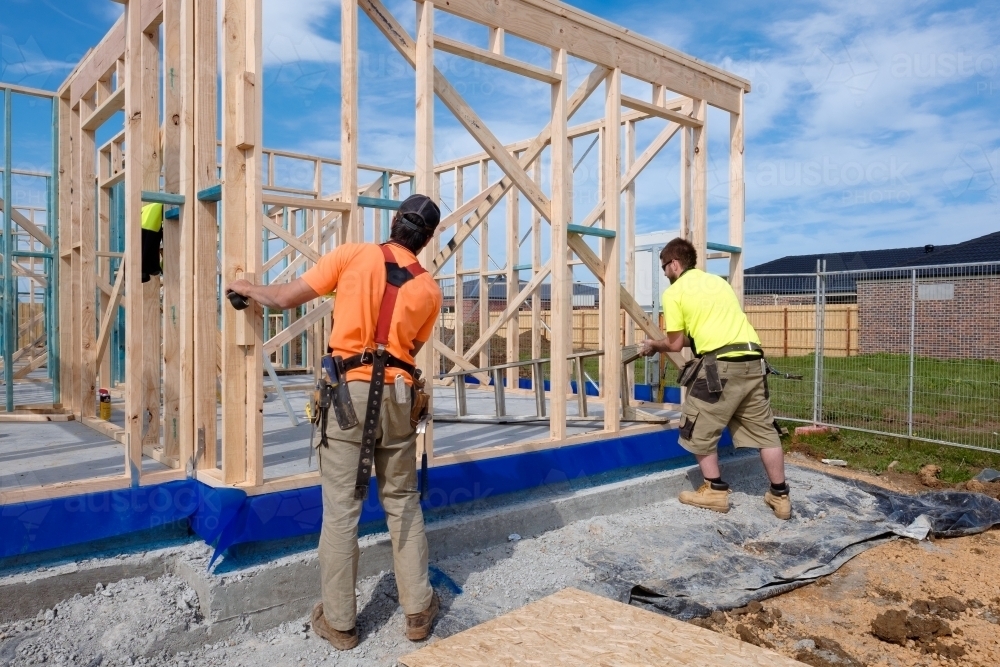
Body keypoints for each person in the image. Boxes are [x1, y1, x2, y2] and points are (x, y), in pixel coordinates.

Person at [226, 194, 443, 649]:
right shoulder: (429, 289)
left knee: (342, 508)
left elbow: (285, 299)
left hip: (348, 393)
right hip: (399, 396)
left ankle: (341, 623)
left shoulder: (355, 255)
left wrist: (247, 288)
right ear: (425, 240)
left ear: (393, 223)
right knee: (402, 500)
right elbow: (410, 352)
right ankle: (418, 610)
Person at [639, 238, 791, 520]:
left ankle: (715, 490)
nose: (664, 274)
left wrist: (653, 345)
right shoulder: (718, 283)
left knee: (695, 427)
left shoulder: (674, 294)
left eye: (664, 268)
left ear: (674, 264)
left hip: (720, 366)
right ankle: (780, 496)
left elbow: (674, 344)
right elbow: (694, 332)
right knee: (765, 432)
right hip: (753, 360)